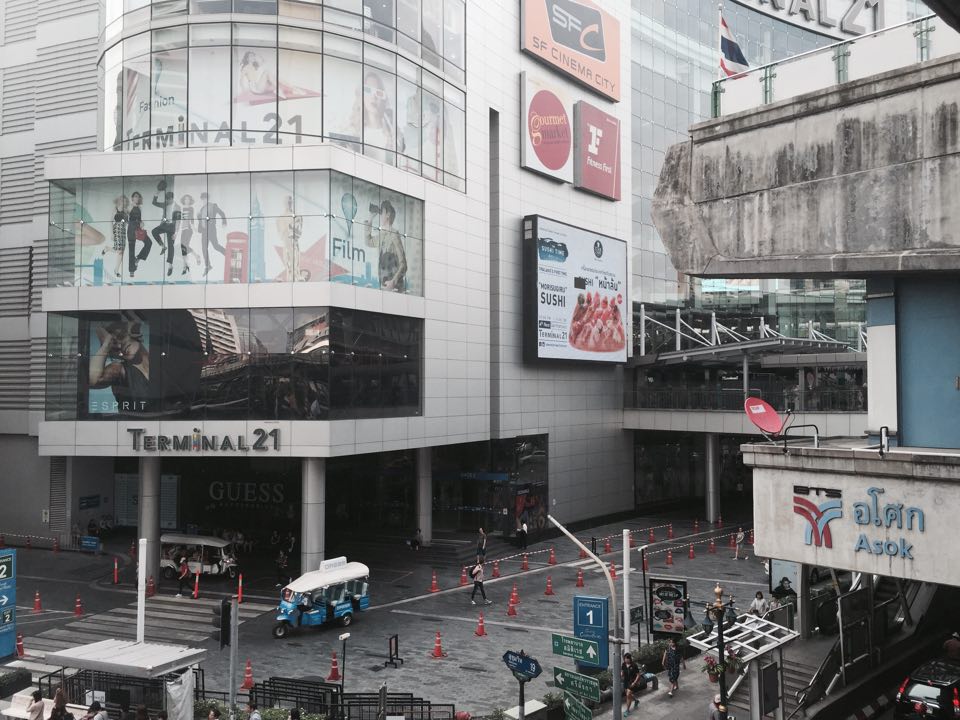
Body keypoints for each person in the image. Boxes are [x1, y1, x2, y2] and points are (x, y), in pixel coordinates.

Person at [88, 321, 150, 414]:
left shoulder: (162, 362)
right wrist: (106, 346)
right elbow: (93, 380)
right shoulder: (120, 369)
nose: (120, 346)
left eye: (121, 337)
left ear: (135, 334)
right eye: (114, 348)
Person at [365, 199, 407, 291]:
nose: (381, 216)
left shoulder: (394, 234)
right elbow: (368, 242)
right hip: (384, 283)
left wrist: (393, 281)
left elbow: (403, 264)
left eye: (382, 212)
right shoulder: (382, 234)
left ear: (388, 215)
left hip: (395, 287)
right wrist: (370, 218)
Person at [199, 192, 227, 276]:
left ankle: (227, 254)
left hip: (211, 229)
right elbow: (201, 221)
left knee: (216, 246)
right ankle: (208, 266)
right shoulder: (202, 209)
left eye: (205, 198)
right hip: (204, 231)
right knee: (204, 248)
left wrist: (224, 221)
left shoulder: (213, 206)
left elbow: (222, 213)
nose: (204, 200)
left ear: (208, 199)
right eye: (203, 199)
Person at [127, 191, 148, 278]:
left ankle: (138, 259)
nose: (137, 198)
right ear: (132, 198)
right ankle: (132, 270)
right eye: (135, 196)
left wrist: (141, 222)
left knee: (149, 243)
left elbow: (140, 219)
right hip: (131, 230)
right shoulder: (129, 206)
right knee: (131, 251)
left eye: (138, 196)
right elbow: (126, 219)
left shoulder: (140, 207)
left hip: (139, 229)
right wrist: (133, 223)